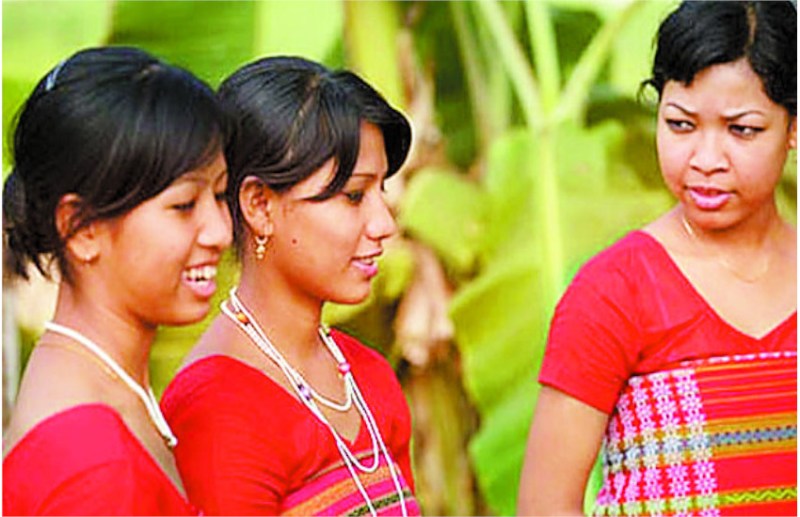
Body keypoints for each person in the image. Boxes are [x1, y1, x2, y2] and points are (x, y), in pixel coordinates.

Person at [518, 2, 797, 515]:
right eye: (680, 125)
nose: (706, 160)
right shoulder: (613, 292)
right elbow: (545, 505)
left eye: (742, 130)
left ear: (793, 128)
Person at [160, 56, 420, 516]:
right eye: (354, 195)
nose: (384, 224)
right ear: (260, 206)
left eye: (381, 191)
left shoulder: (370, 377)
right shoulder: (218, 410)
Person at [2, 46, 232, 515]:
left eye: (221, 195)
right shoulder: (98, 471)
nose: (221, 233)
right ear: (82, 228)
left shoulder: (101, 388)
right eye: (184, 205)